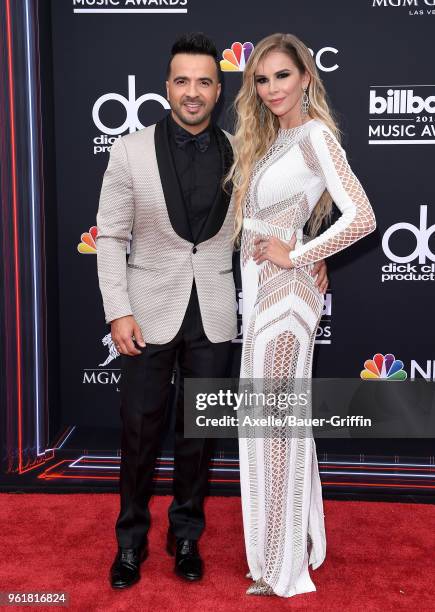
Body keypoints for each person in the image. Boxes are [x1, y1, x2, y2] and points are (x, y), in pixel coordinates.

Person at [96, 32, 328, 590]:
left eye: (204, 81)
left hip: (219, 312)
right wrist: (117, 310)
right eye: (182, 81)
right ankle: (130, 543)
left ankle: (186, 538)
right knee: (139, 433)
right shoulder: (128, 149)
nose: (193, 92)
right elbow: (109, 237)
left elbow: (284, 208)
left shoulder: (242, 151)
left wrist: (308, 255)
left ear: (218, 89)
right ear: (167, 87)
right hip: (148, 310)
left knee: (199, 435)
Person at [225, 33, 376, 597]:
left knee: (276, 427)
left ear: (306, 77)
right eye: (261, 80)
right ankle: (286, 546)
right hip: (262, 297)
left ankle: (284, 567)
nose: (271, 89)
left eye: (282, 76)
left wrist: (303, 255)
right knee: (272, 426)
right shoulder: (274, 140)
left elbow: (361, 217)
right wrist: (302, 248)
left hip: (286, 301)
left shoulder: (314, 135)